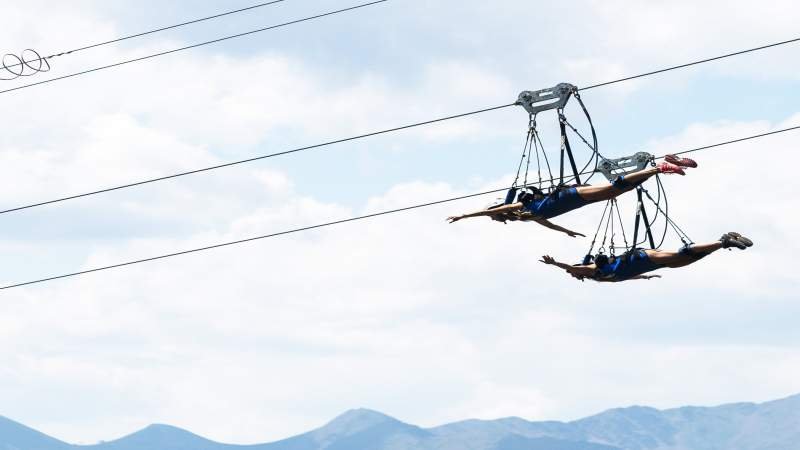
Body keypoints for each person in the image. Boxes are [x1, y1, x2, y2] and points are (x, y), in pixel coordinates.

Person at [447, 155, 697, 237]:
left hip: (571, 193)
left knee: (613, 189)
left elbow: (489, 212)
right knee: (619, 191)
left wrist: (464, 215)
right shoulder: (526, 216)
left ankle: (660, 166)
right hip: (578, 202)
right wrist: (567, 233)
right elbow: (550, 223)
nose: (501, 220)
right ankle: (663, 164)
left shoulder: (517, 205)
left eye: (499, 217)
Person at [539, 232, 753, 282]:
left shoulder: (593, 269)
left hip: (642, 258)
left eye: (575, 273)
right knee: (690, 259)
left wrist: (554, 263)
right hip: (647, 267)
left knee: (683, 253)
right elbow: (626, 277)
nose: (575, 275)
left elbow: (569, 267)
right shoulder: (601, 278)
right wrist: (644, 278)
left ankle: (723, 241)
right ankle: (724, 241)